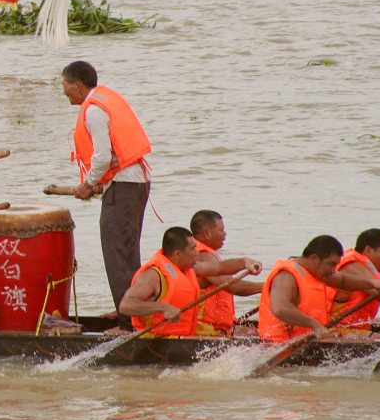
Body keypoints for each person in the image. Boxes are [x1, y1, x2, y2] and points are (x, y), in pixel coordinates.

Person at [62, 60, 152, 331]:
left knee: (118, 255)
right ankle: (130, 309)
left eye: (64, 85)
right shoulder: (105, 98)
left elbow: (102, 158)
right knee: (127, 253)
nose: (63, 91)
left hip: (125, 187)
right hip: (131, 183)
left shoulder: (94, 112)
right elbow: (113, 157)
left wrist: (88, 184)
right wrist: (98, 185)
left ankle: (128, 323)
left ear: (78, 86)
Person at [119, 227, 262, 337]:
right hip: (156, 339)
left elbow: (218, 268)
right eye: (193, 249)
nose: (197, 252)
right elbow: (126, 305)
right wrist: (162, 308)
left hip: (184, 336)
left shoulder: (190, 267)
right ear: (178, 254)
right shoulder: (152, 275)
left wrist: (244, 262)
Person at [258, 235, 380, 342]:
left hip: (309, 338)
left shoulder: (317, 271)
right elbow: (280, 308)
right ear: (314, 258)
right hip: (280, 345)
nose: (334, 270)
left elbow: (343, 280)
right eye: (331, 264)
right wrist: (313, 324)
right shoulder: (286, 275)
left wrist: (372, 283)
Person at [189, 210, 264, 334]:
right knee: (264, 336)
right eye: (221, 230)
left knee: (260, 332)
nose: (225, 234)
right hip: (206, 331)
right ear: (207, 233)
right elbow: (233, 286)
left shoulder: (210, 254)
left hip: (219, 328)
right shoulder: (202, 255)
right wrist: (267, 287)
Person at [330, 228, 380, 333]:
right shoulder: (353, 265)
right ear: (368, 250)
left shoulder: (362, 266)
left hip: (354, 328)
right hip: (337, 330)